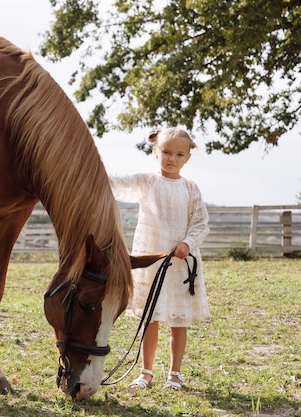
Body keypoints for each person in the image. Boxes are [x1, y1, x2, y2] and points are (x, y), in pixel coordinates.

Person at [109, 127, 210, 390]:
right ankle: (146, 372)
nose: (171, 158)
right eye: (166, 152)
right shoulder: (147, 181)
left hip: (179, 262)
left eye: (179, 154)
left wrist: (187, 243)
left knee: (178, 320)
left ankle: (175, 373)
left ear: (187, 157)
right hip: (152, 258)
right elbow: (117, 184)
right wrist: (91, 169)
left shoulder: (191, 188)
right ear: (156, 152)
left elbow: (200, 223)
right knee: (150, 316)